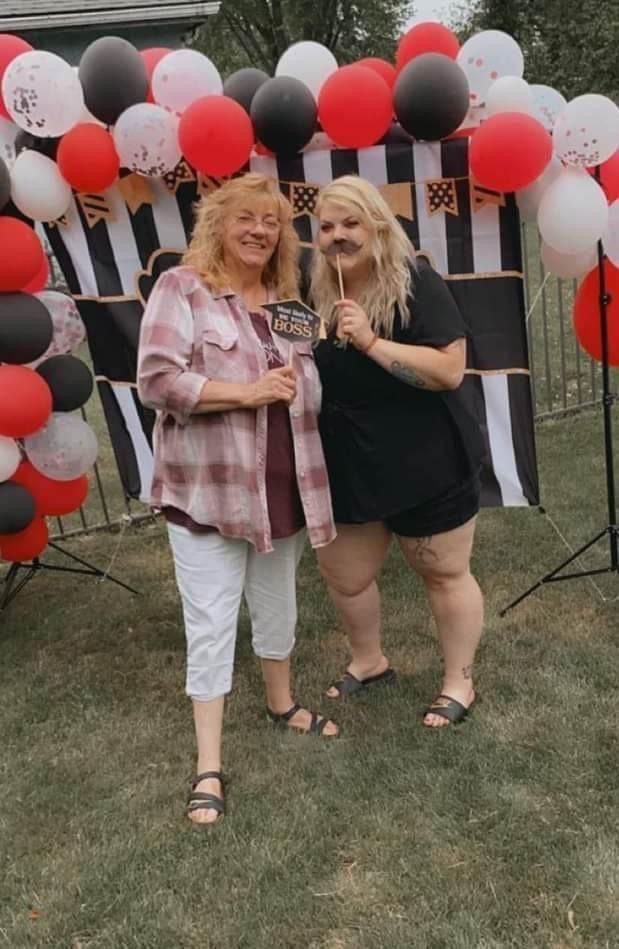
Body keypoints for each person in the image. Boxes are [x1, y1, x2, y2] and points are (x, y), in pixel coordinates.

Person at [137, 173, 338, 827]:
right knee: (211, 622)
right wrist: (247, 393)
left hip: (283, 490)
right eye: (246, 217)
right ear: (218, 223)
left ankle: (281, 703)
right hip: (210, 496)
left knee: (278, 604)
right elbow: (156, 380)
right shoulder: (183, 288)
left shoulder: (285, 304)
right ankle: (208, 765)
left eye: (271, 221)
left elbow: (310, 384)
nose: (259, 230)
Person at [309, 175, 485, 728]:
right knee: (345, 577)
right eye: (326, 227)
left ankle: (459, 681)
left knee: (444, 572)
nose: (338, 236)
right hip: (348, 461)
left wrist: (370, 342)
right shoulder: (314, 289)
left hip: (425, 458)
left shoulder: (416, 282)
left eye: (351, 223)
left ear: (379, 227)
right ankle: (369, 660)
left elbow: (450, 370)